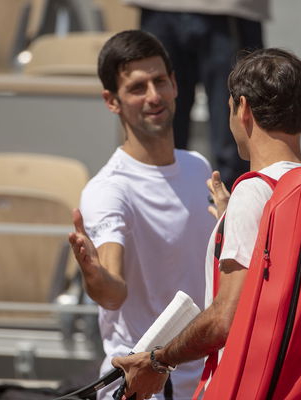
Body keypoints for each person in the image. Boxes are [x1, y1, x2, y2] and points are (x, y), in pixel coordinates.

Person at [111, 48, 301, 400]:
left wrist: (158, 362)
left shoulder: (253, 194)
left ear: (243, 109)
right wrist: (231, 217)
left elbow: (226, 319)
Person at [68, 30, 218, 400]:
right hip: (142, 389)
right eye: (137, 87)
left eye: (159, 81)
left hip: (207, 384)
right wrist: (95, 275)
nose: (153, 96)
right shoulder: (107, 190)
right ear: (112, 101)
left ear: (175, 85)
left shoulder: (198, 167)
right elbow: (114, 291)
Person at [122, 0, 270, 190]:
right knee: (156, 131)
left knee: (237, 133)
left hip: (230, 9)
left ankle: (237, 212)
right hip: (158, 7)